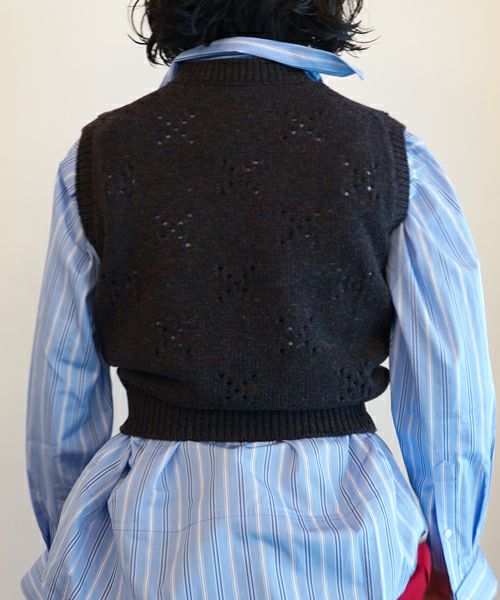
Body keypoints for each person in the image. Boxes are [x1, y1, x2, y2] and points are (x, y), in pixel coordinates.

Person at [21, 1, 497, 599]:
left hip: (147, 551)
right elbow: (451, 396)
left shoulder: (95, 160)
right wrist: (459, 564)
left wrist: (70, 542)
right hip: (356, 555)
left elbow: (60, 398)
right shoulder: (396, 158)